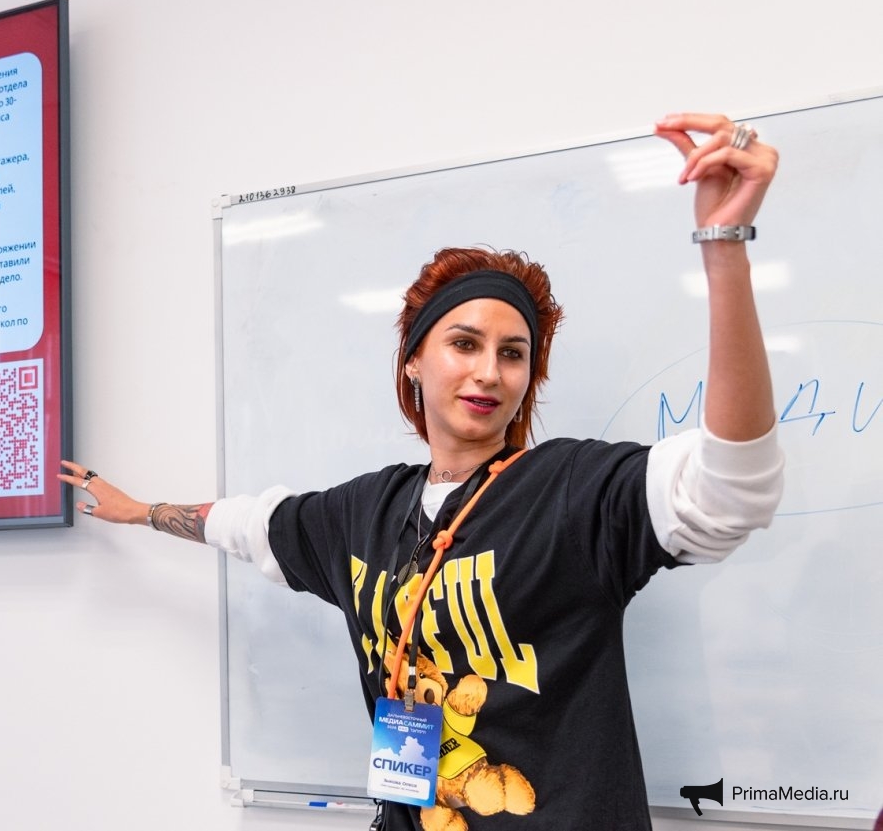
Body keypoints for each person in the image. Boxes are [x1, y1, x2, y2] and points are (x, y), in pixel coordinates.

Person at [59, 113, 784, 831]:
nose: (489, 371)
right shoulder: (366, 512)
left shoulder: (571, 491)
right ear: (413, 360)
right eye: (464, 343)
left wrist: (723, 249)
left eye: (513, 354)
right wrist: (142, 510)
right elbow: (247, 525)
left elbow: (729, 491)